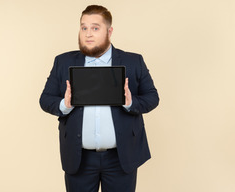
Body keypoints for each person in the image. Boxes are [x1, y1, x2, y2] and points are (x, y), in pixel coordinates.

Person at [40, 5, 159, 192]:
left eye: (95, 28)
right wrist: (65, 104)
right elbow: (45, 99)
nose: (88, 34)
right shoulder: (63, 62)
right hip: (79, 159)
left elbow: (152, 97)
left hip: (121, 158)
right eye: (83, 27)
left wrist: (130, 103)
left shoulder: (133, 62)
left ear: (109, 31)